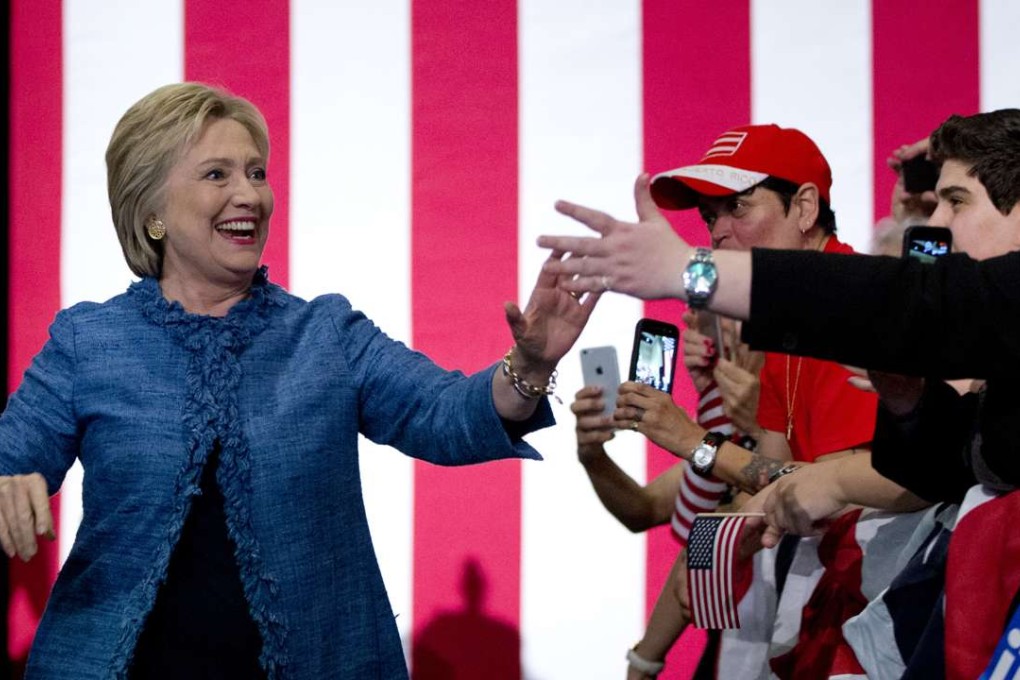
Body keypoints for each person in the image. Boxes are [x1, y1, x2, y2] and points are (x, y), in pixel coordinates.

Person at [0, 82, 598, 679]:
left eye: (256, 173)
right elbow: (12, 457)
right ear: (151, 211)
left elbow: (440, 413)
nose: (249, 195)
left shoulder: (324, 333)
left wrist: (529, 367)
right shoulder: (89, 342)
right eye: (217, 175)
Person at [538, 109, 1020, 679]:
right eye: (708, 216)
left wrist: (697, 438)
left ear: (805, 208)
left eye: (736, 207)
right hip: (815, 612)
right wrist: (597, 456)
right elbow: (728, 499)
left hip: (860, 612)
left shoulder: (854, 310)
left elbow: (859, 485)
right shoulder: (777, 343)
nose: (717, 232)